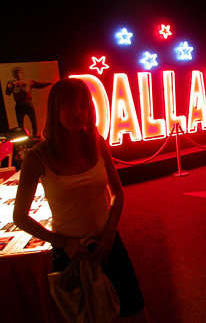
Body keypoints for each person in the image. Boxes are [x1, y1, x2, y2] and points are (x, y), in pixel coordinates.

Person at [13, 78, 149, 323]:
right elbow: (19, 217)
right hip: (69, 252)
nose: (78, 112)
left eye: (83, 105)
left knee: (134, 311)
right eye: (69, 106)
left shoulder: (97, 143)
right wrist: (63, 242)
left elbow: (118, 192)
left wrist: (109, 233)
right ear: (55, 109)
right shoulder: (37, 157)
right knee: (86, 316)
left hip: (108, 243)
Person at [6, 66, 53, 138]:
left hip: (28, 104)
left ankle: (35, 135)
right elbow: (8, 93)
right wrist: (9, 87)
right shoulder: (12, 83)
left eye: (19, 73)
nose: (18, 75)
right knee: (20, 123)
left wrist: (49, 83)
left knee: (33, 121)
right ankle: (22, 137)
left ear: (22, 74)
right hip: (19, 105)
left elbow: (39, 84)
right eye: (16, 74)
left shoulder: (28, 81)